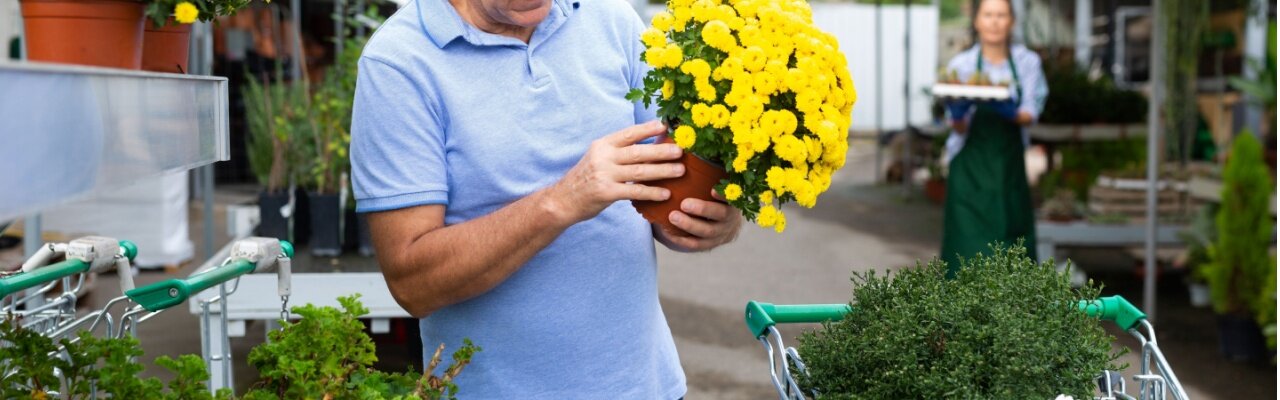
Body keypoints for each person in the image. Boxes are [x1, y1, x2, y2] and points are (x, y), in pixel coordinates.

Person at [348, 0, 743, 397]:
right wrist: (562, 202)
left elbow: (666, 186)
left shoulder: (612, 17)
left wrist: (708, 219)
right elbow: (413, 286)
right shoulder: (398, 61)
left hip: (646, 386)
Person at [940, 0, 1048, 277]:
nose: (995, 22)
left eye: (1001, 15)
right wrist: (957, 112)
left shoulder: (1027, 62)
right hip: (968, 173)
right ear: (977, 21)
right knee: (964, 255)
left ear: (1012, 21)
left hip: (1009, 172)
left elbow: (1031, 113)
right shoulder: (962, 65)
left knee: (1013, 255)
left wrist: (1010, 111)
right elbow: (958, 127)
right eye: (988, 15)